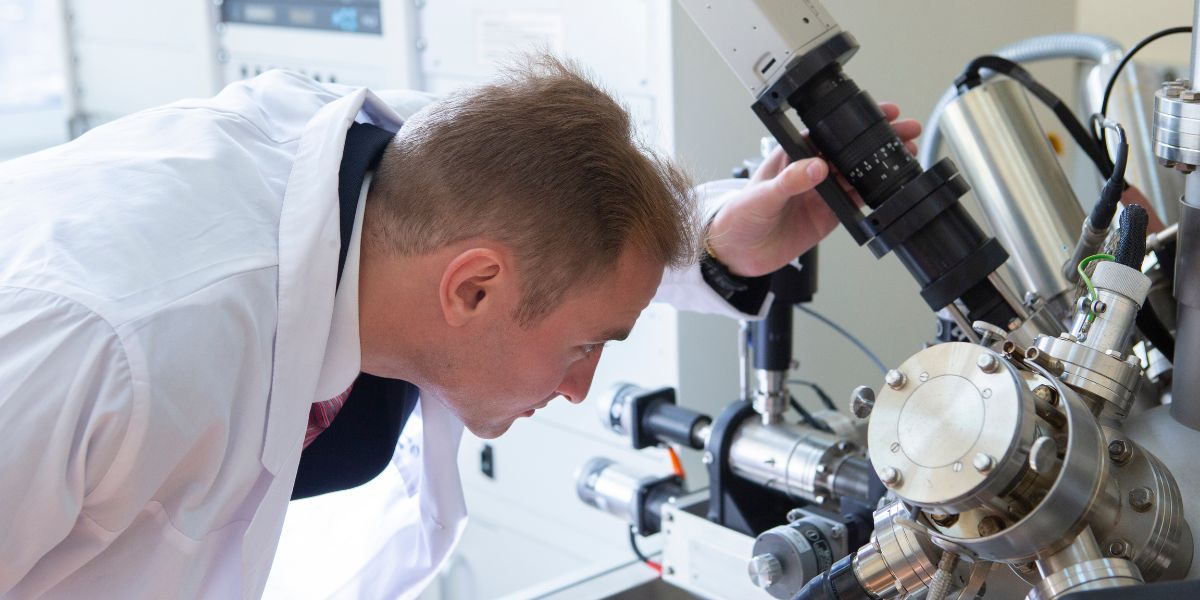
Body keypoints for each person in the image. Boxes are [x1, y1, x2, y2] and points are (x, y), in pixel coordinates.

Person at [0, 55, 920, 598]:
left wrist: (714, 234)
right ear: (472, 291)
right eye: (582, 347)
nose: (579, 387)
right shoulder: (106, 347)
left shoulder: (390, 188)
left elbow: (526, 186)